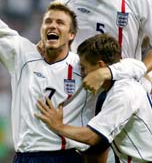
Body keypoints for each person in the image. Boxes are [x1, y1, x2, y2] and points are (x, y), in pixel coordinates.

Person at [0, 0, 149, 163]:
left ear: (72, 34)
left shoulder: (81, 66)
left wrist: (105, 73)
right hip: (24, 157)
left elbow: (134, 66)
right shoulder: (22, 54)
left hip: (66, 157)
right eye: (48, 21)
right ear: (41, 29)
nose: (52, 26)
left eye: (60, 22)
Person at [35, 33, 152, 163]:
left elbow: (92, 137)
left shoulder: (123, 94)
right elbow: (135, 66)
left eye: (84, 68)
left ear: (100, 66)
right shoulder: (127, 72)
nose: (82, 74)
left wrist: (58, 126)